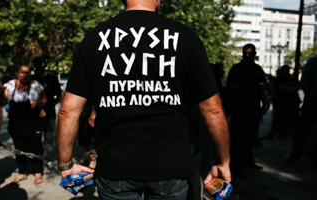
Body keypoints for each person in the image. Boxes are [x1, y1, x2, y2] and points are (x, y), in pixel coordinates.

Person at [56, 0, 231, 199]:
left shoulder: (94, 39)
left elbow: (68, 111)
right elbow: (213, 109)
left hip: (115, 168)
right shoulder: (185, 37)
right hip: (170, 167)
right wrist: (222, 162)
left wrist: (65, 163)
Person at [0, 64, 47, 184]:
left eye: (27, 72)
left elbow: (44, 100)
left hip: (34, 121)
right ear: (17, 73)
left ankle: (37, 172)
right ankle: (22, 172)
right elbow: (3, 101)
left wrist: (38, 103)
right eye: (22, 72)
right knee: (19, 147)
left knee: (35, 146)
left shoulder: (36, 84)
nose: (25, 75)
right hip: (16, 121)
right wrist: (2, 92)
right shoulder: (10, 85)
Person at [226, 43, 268, 178]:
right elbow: (231, 85)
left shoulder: (257, 69)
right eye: (245, 53)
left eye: (250, 53)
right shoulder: (237, 69)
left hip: (253, 108)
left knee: (251, 136)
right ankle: (235, 166)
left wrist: (265, 103)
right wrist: (247, 90)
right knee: (238, 139)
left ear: (255, 54)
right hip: (239, 108)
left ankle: (248, 161)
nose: (247, 56)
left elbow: (262, 87)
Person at [31, 56, 62, 169]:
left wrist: (50, 104)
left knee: (49, 137)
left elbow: (58, 95)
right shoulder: (32, 78)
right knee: (36, 138)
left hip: (49, 113)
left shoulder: (52, 78)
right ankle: (38, 160)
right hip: (35, 114)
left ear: (45, 64)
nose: (38, 67)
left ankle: (48, 159)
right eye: (36, 65)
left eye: (40, 64)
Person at [287, 56, 317, 167]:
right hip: (312, 102)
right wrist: (309, 98)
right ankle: (295, 155)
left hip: (311, 101)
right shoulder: (313, 62)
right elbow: (304, 83)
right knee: (303, 130)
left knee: (303, 130)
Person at [270, 65, 300, 139]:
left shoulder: (290, 79)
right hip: (279, 100)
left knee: (285, 117)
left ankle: (282, 133)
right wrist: (288, 89)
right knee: (277, 117)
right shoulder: (280, 78)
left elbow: (293, 88)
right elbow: (279, 87)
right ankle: (273, 133)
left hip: (287, 100)